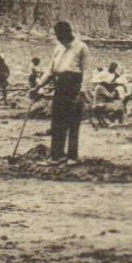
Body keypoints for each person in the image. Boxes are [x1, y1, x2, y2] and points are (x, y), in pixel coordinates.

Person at [40, 21, 89, 164]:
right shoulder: (58, 48)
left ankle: (72, 156)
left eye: (61, 35)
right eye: (57, 36)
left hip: (74, 86)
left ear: (68, 33)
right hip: (60, 86)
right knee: (57, 121)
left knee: (73, 122)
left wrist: (83, 90)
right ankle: (56, 155)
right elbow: (50, 70)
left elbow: (87, 71)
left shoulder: (82, 47)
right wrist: (39, 85)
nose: (59, 39)